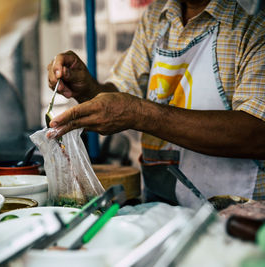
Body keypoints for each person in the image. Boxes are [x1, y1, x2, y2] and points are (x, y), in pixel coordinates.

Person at [47, 0, 265, 207]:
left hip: (239, 218)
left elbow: (257, 133)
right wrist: (88, 90)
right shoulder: (157, 15)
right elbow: (121, 92)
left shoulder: (254, 20)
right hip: (162, 207)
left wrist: (140, 114)